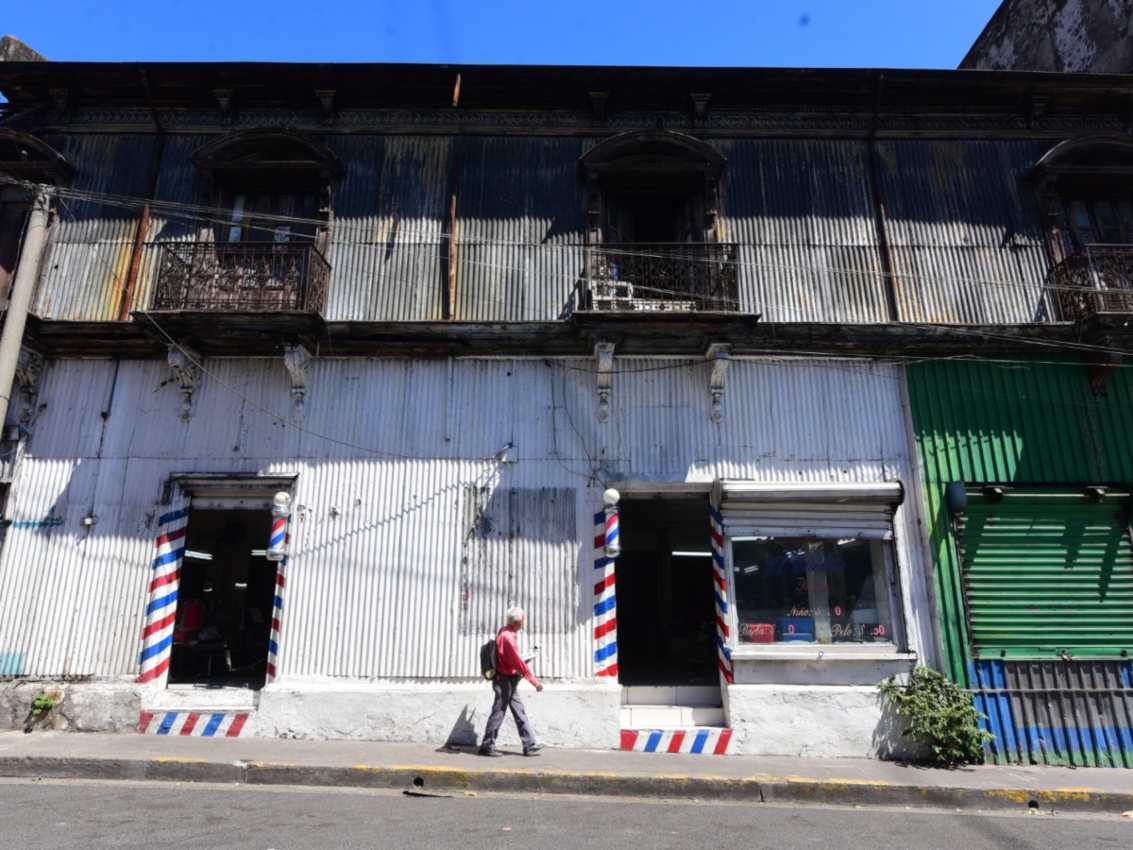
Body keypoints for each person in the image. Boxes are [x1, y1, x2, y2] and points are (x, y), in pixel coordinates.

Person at [478, 607, 544, 757]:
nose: (523, 623)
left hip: (509, 681)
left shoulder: (505, 631)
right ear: (518, 622)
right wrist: (535, 682)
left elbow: (511, 658)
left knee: (519, 712)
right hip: (504, 682)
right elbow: (517, 663)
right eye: (523, 620)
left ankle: (529, 745)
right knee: (498, 712)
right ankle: (487, 746)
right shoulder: (507, 637)